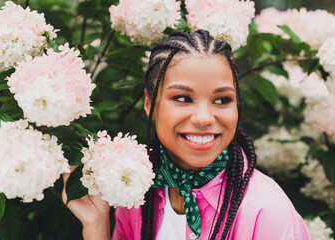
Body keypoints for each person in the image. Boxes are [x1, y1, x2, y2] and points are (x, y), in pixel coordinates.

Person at [62, 30, 311, 240]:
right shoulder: (137, 195)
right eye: (183, 98)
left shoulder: (267, 212)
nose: (204, 118)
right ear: (150, 104)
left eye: (222, 100)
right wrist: (96, 225)